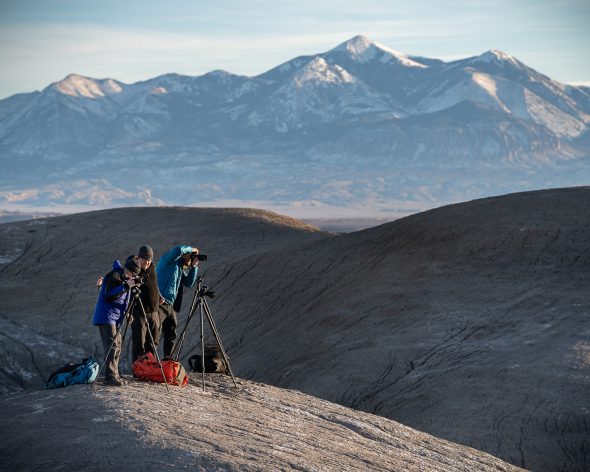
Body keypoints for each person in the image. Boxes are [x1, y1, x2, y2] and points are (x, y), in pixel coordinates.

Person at [92, 256, 142, 386]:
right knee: (112, 346)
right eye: (132, 274)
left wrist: (127, 314)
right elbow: (110, 296)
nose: (132, 277)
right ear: (128, 270)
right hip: (106, 316)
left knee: (118, 345)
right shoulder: (114, 276)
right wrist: (126, 285)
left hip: (115, 317)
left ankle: (114, 374)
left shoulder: (124, 278)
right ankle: (110, 376)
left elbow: (123, 300)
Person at [156, 245, 200, 359]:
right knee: (155, 332)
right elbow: (178, 249)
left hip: (170, 305)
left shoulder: (179, 268)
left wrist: (194, 266)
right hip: (160, 301)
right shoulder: (169, 260)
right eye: (191, 257)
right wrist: (192, 249)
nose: (190, 261)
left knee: (171, 334)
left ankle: (168, 359)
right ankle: (148, 361)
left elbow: (189, 283)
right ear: (185, 255)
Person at [131, 245, 162, 363]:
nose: (146, 262)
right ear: (138, 258)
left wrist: (159, 297)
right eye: (144, 259)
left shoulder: (152, 268)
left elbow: (153, 286)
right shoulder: (135, 271)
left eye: (149, 259)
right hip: (139, 312)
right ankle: (138, 368)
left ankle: (150, 367)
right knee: (139, 342)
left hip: (154, 311)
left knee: (154, 341)